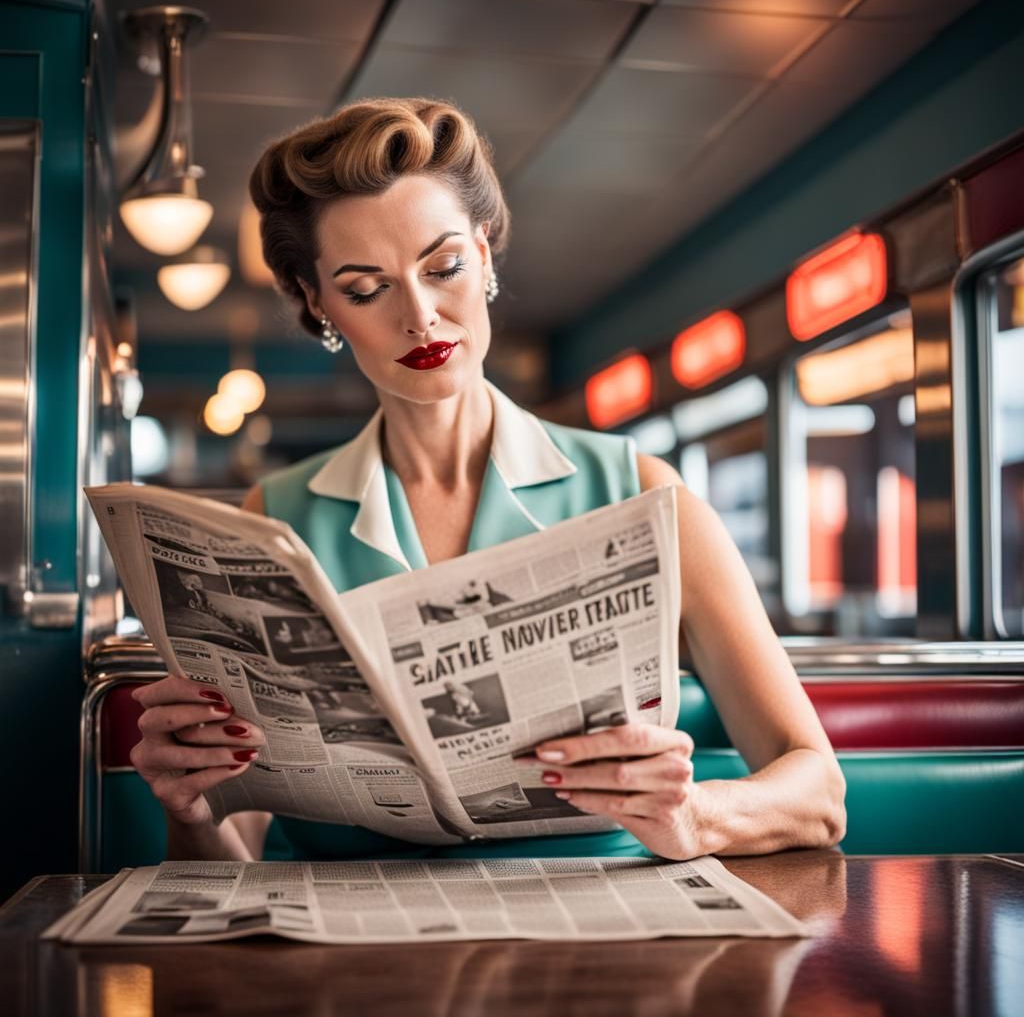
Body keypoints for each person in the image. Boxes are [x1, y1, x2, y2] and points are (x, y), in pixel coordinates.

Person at [129, 97, 846, 863]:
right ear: (318, 302)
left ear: (486, 254)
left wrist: (690, 817)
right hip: (343, 952)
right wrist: (194, 812)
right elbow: (234, 850)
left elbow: (818, 793)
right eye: (367, 288)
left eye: (443, 268)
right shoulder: (274, 515)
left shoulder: (643, 492)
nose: (421, 316)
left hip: (597, 941)